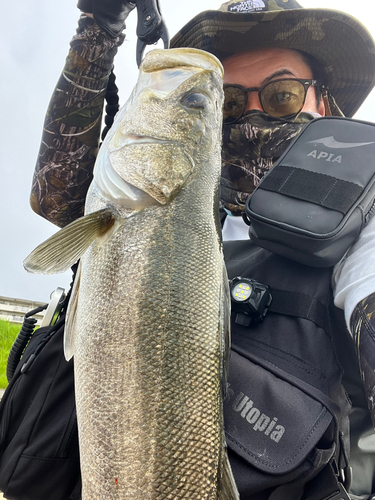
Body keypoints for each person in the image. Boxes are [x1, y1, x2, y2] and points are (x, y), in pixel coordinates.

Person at [29, 0, 375, 498]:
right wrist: (98, 27)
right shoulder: (172, 208)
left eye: (281, 95)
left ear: (322, 104)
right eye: (228, 105)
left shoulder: (360, 228)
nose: (253, 116)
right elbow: (54, 196)